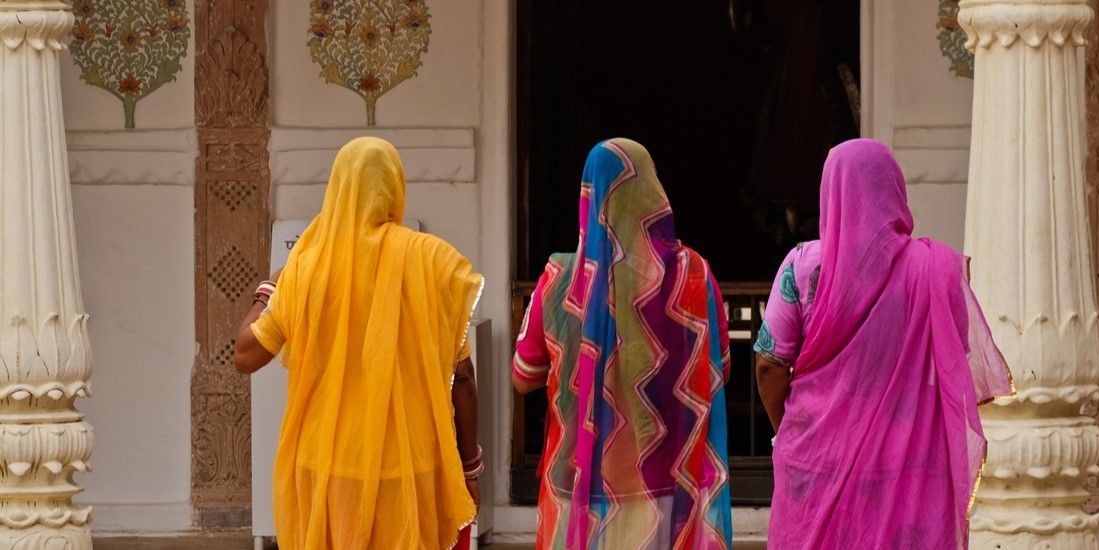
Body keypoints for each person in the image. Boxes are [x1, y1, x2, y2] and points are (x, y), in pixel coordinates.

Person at [753, 139, 1015, 549]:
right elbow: (952, 357)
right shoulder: (934, 268)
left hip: (816, 458)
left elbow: (769, 365)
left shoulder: (801, 264)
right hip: (905, 464)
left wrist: (789, 429)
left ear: (830, 193)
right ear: (894, 189)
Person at [233, 137, 484, 550]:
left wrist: (268, 289)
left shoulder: (304, 271)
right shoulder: (434, 262)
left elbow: (245, 355)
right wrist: (470, 470)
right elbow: (464, 378)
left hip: (326, 472)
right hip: (409, 471)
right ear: (395, 188)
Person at [512, 138, 734, 549]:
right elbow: (719, 366)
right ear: (652, 190)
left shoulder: (558, 279)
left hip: (578, 492)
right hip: (667, 488)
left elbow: (524, 377)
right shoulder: (696, 275)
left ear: (587, 196)